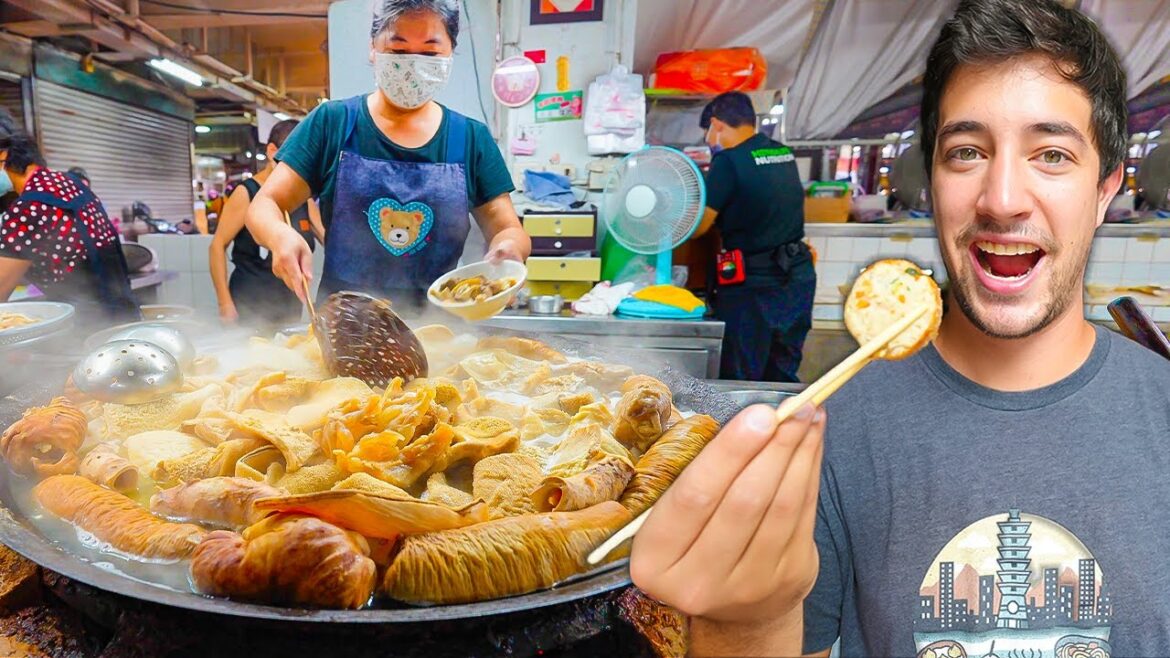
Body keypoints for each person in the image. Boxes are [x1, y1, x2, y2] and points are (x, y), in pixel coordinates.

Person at [629, 1, 1170, 656]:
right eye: (966, 152)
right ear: (935, 179)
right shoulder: (834, 433)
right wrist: (740, 621)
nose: (1002, 199)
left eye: (1052, 155)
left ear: (1106, 187)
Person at [245, 0, 530, 313]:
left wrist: (511, 249)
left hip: (438, 332)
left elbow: (507, 227)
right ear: (373, 48)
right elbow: (264, 204)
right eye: (398, 51)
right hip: (345, 328)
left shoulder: (471, 138)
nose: (413, 64)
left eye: (430, 53)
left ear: (450, 53)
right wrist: (278, 235)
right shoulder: (332, 123)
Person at [693, 92, 815, 382]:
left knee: (742, 374)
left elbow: (700, 227)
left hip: (753, 284)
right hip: (797, 277)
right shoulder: (782, 153)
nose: (709, 141)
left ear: (716, 125)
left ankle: (747, 428)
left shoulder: (728, 162)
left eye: (707, 134)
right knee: (782, 372)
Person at [0, 110, 139, 326]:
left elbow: (1, 286)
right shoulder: (70, 184)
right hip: (120, 314)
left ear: (3, 159)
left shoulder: (29, 207)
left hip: (82, 325)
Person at [210, 119, 325, 331]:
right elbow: (217, 246)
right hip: (250, 300)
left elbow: (326, 237)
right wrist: (224, 303)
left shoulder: (303, 196)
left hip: (289, 300)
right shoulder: (246, 193)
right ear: (272, 151)